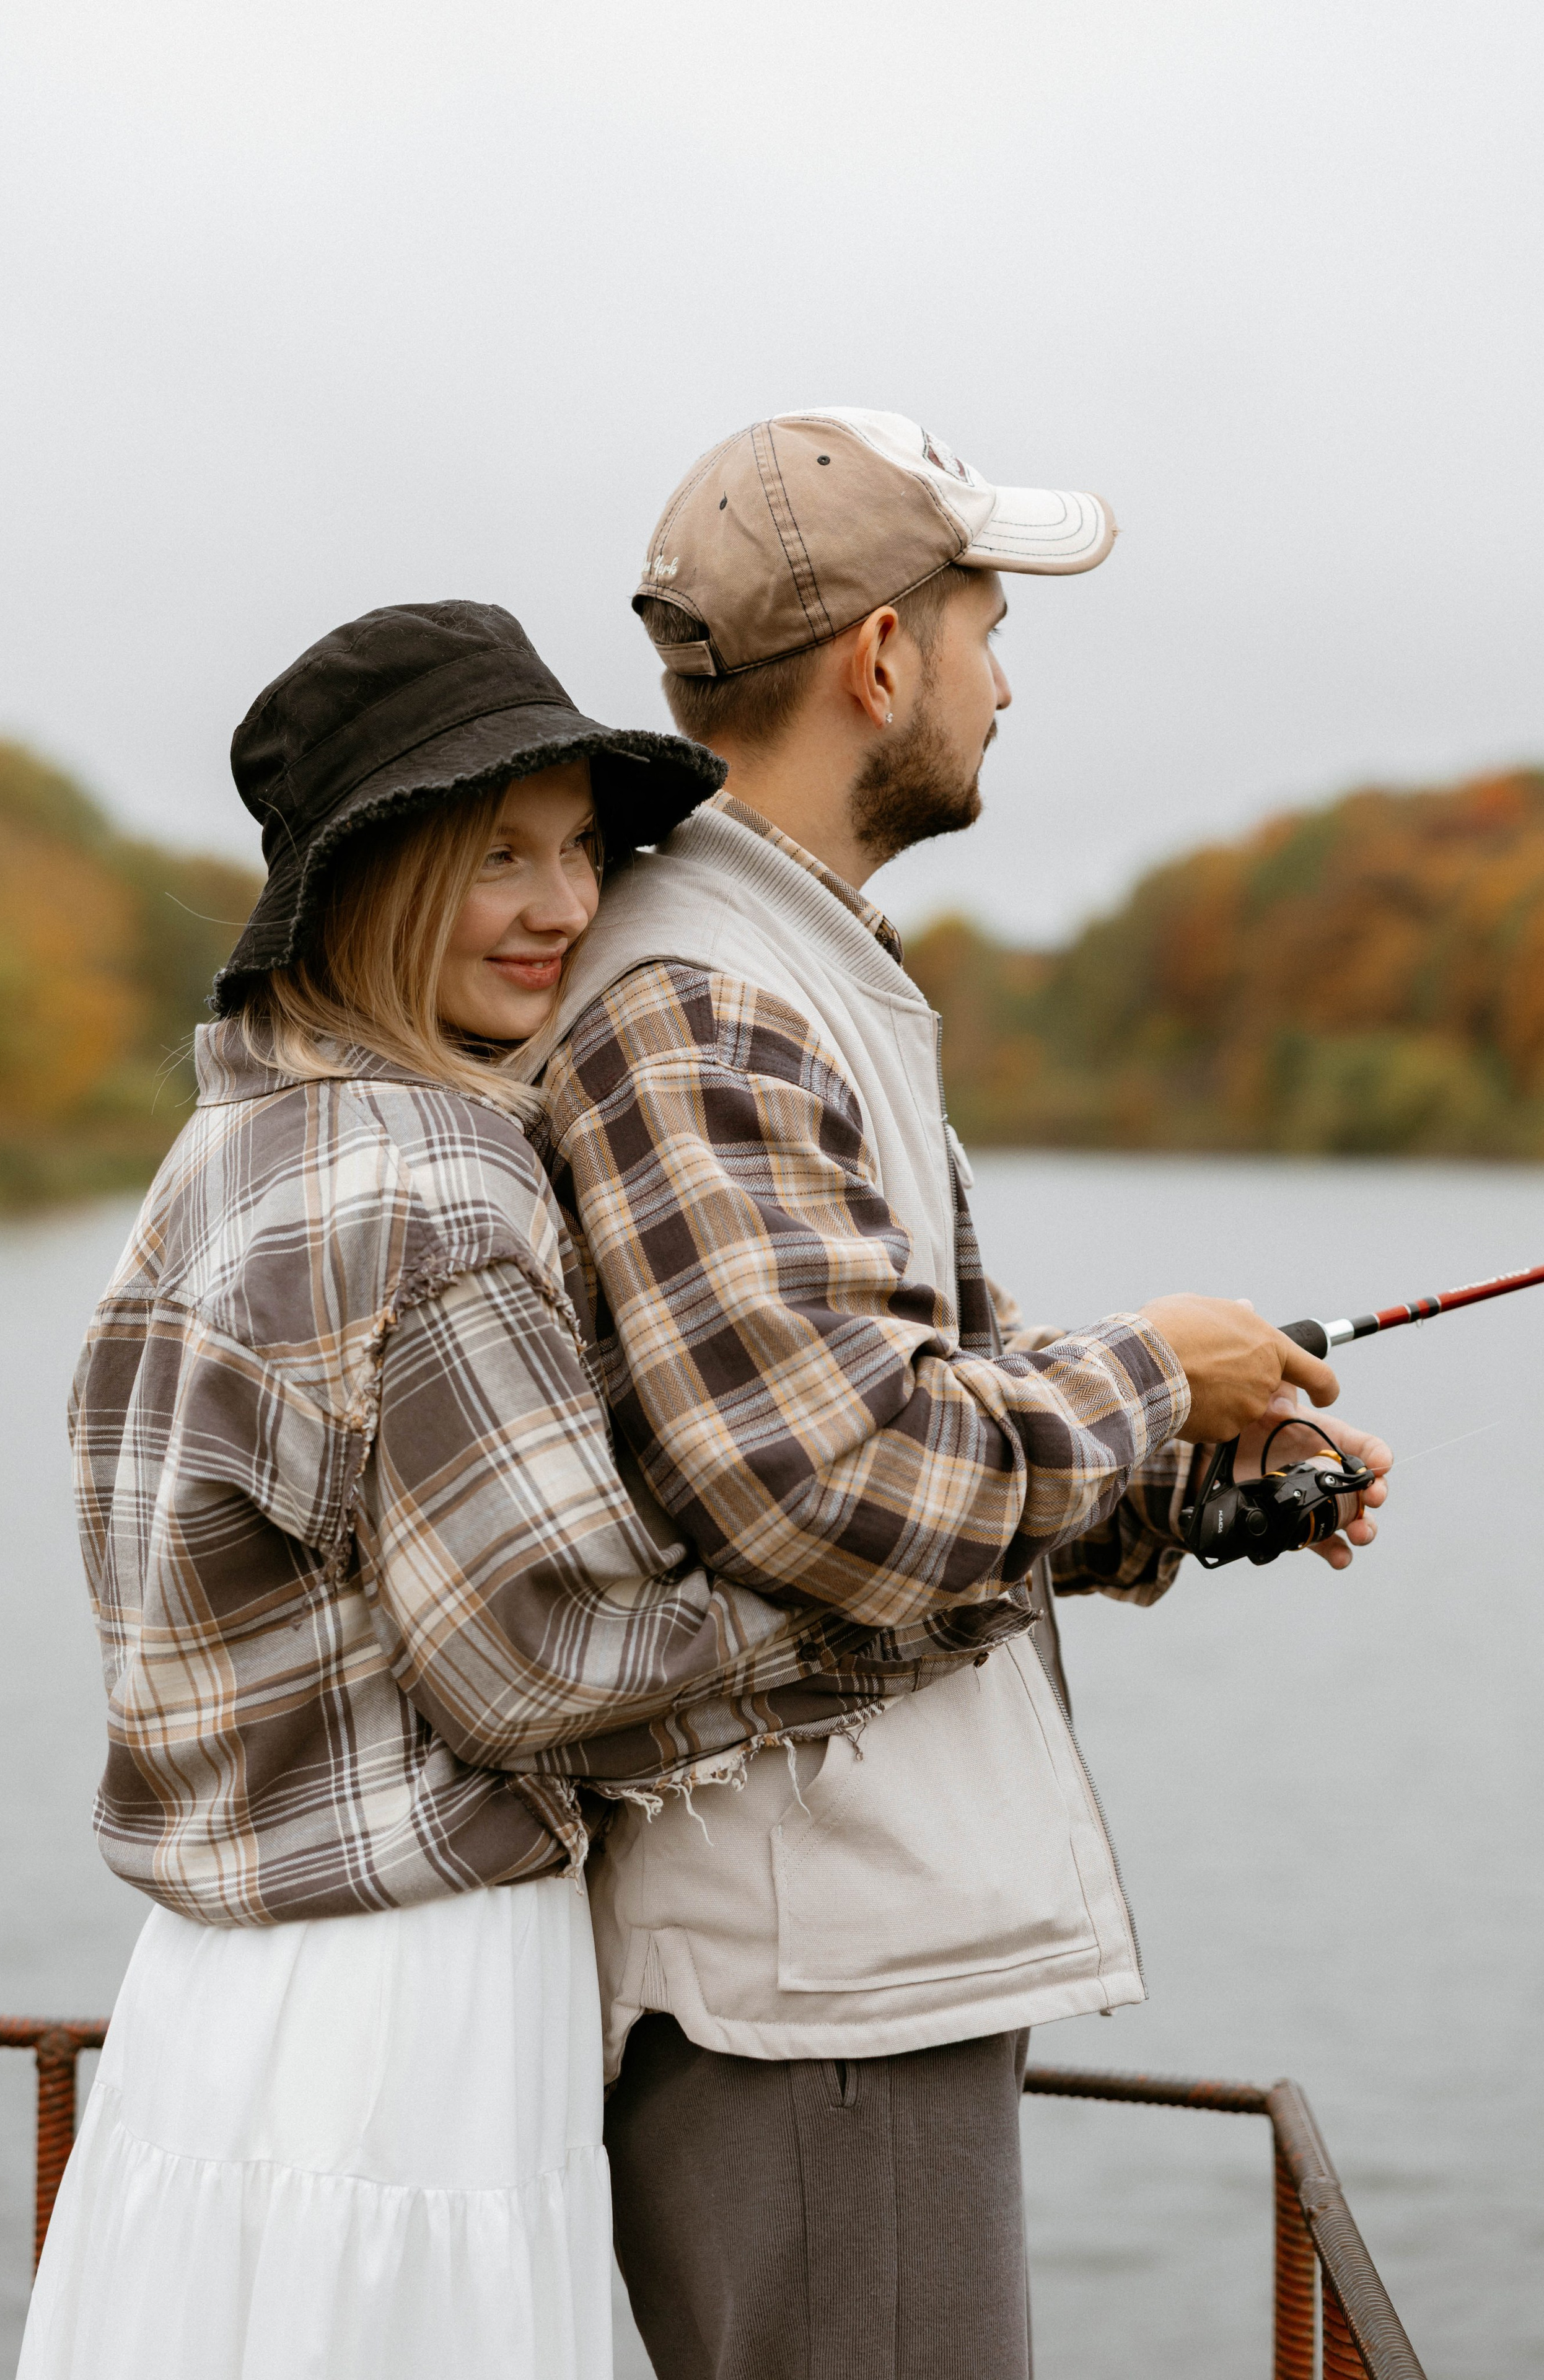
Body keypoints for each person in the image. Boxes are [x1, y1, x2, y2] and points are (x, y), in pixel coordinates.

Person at [19, 600, 1005, 2380]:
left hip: (212, 1995)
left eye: (578, 850)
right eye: (498, 860)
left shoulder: (229, 1139)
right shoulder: (445, 1185)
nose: (565, 909)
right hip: (405, 2002)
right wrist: (928, 1591)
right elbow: (553, 1660)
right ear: (376, 880)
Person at [529, 411, 1394, 2380]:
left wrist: (1198, 1468)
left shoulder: (790, 963)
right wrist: (1159, 1368)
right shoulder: (702, 994)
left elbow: (897, 1417)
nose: (1008, 677)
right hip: (813, 1990)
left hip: (844, 1972)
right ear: (882, 661)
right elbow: (836, 1480)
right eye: (989, 624)